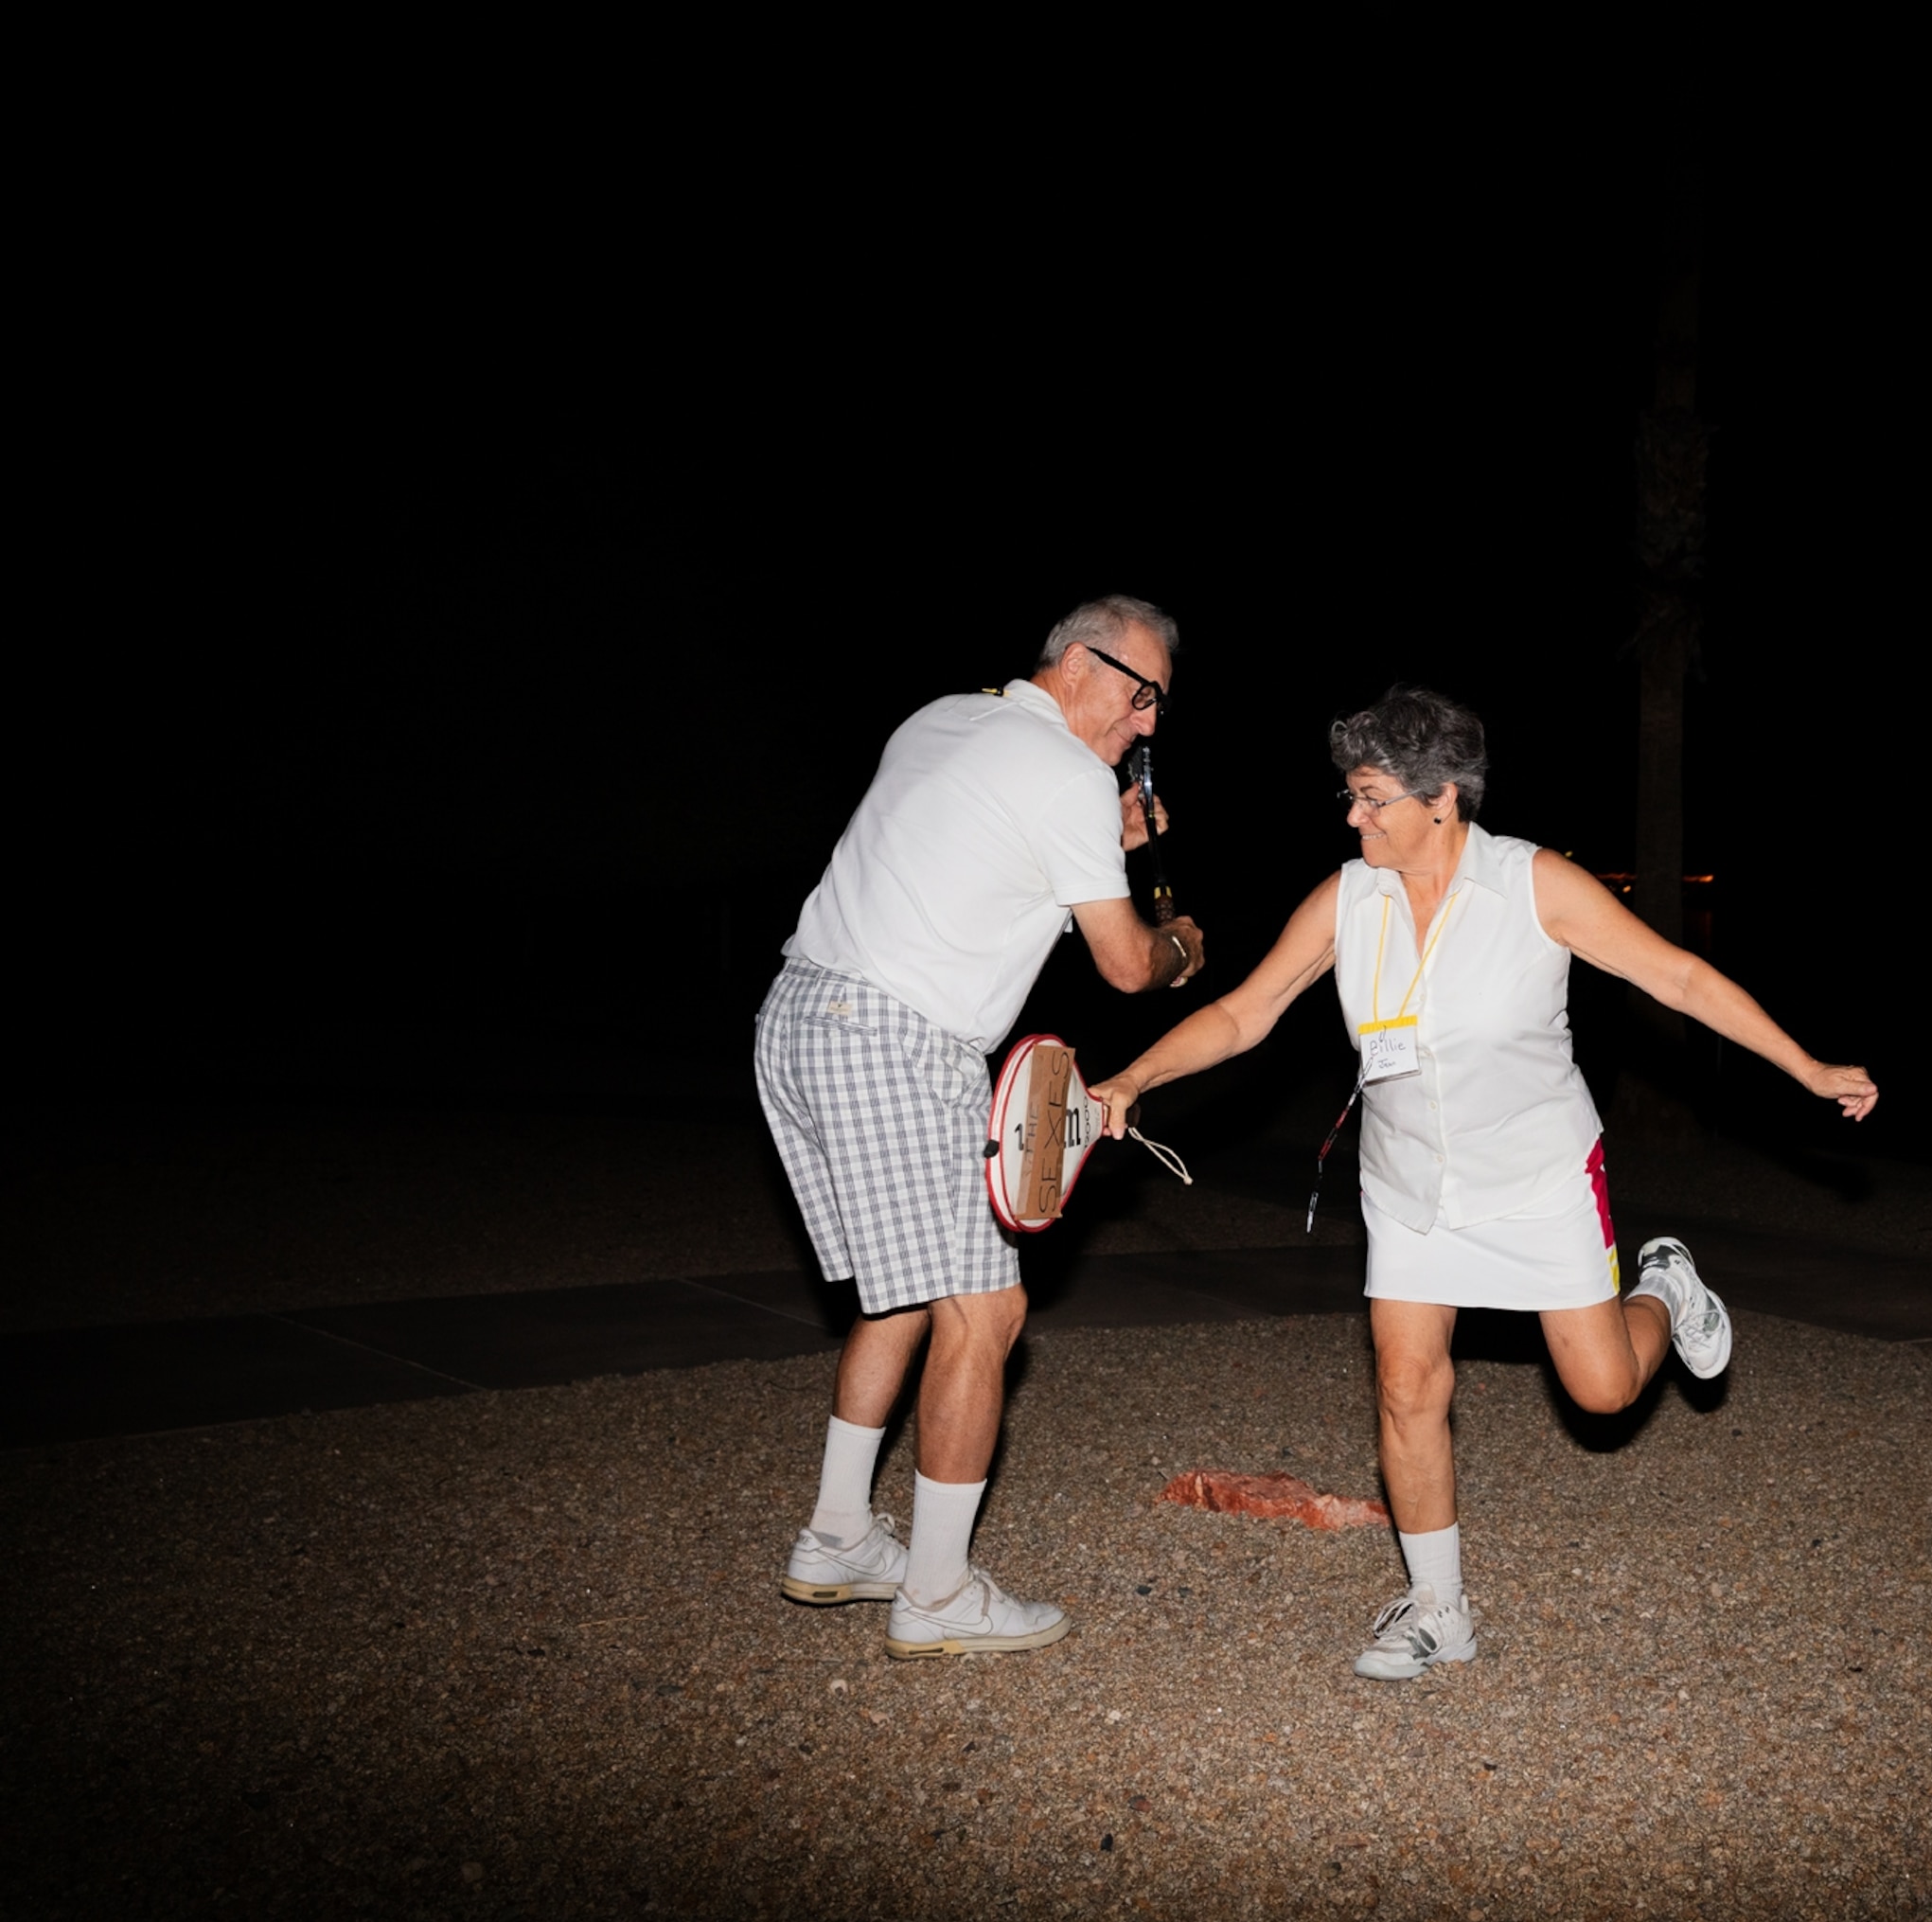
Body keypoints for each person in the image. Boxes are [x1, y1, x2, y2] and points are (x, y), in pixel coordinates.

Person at [1089, 686, 1874, 1680]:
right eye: (1350, 795)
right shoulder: (1349, 898)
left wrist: (1806, 1067)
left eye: (1372, 797)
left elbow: (1677, 977)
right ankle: (1439, 1609)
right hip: (1408, 1184)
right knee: (1407, 1381)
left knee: (1602, 1391)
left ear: (1443, 798)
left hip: (1538, 1175)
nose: (1353, 817)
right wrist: (1134, 1078)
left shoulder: (1533, 885)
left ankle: (1667, 1287)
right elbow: (1248, 1012)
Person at [755, 596, 1207, 1659]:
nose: (1148, 722)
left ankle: (837, 1536)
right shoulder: (1068, 777)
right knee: (987, 1308)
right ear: (1077, 663)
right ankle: (938, 1593)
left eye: (1160, 705)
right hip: (893, 1040)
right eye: (1141, 692)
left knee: (907, 1291)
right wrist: (1183, 945)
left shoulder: (943, 717)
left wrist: (1100, 838)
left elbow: (981, 865)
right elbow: (1126, 965)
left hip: (799, 1016)